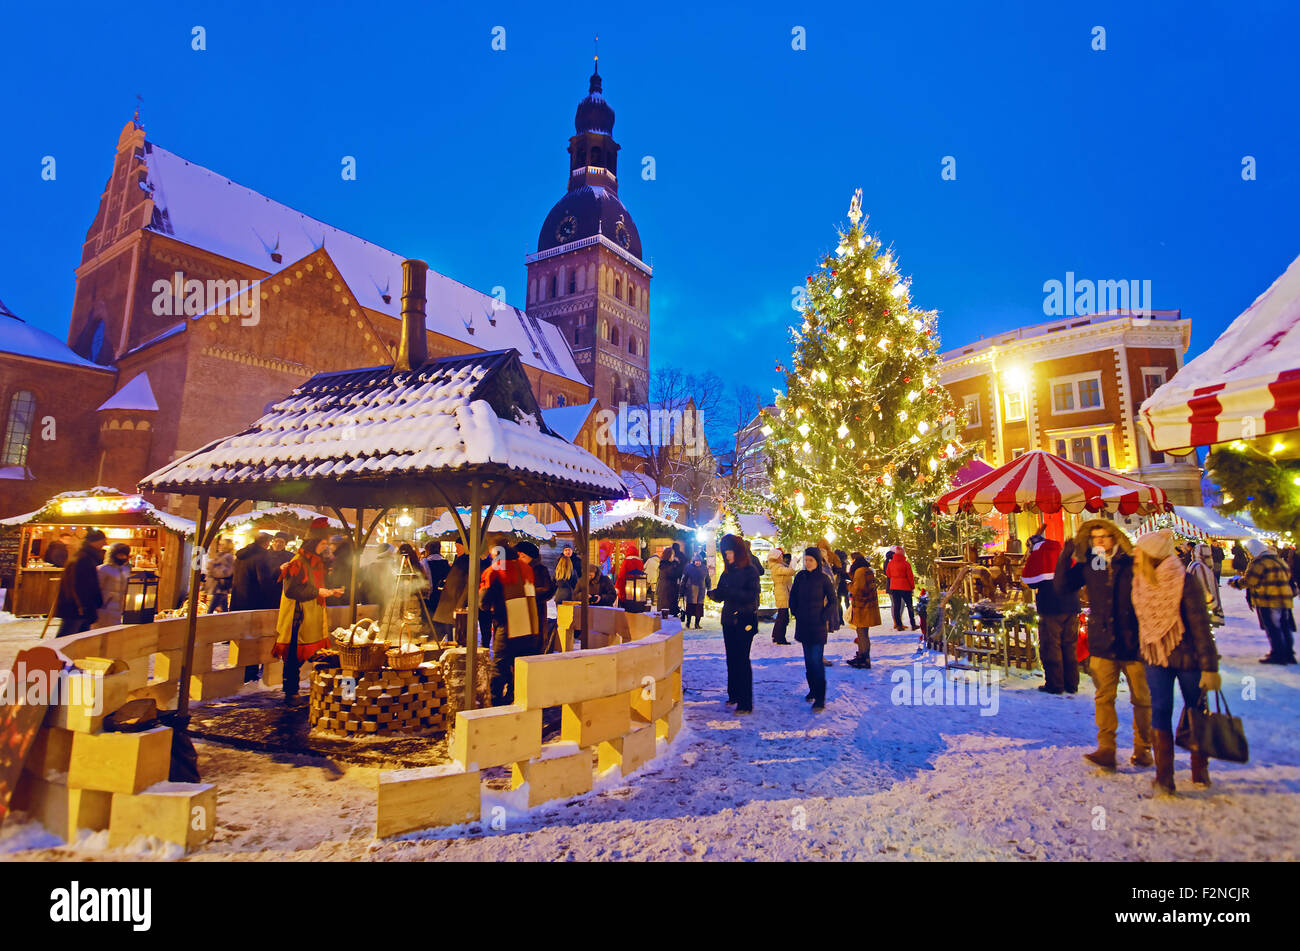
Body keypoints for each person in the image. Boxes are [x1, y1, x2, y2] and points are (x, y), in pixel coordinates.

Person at [1054, 517, 1152, 770]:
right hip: (1103, 642)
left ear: (1114, 537)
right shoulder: (1092, 564)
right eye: (1095, 537)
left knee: (1141, 698)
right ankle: (1106, 748)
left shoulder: (1131, 562)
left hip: (1133, 641)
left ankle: (1143, 748)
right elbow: (1063, 586)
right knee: (1104, 697)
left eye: (1104, 537)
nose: (1099, 541)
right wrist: (1066, 556)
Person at [1131, 531, 1222, 794]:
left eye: (1141, 550)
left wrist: (1209, 667)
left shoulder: (1185, 580)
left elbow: (1200, 625)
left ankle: (1199, 765)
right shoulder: (1140, 581)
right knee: (1159, 710)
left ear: (1152, 554)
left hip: (1188, 657)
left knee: (1195, 708)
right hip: (1155, 655)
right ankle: (1164, 775)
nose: (1136, 554)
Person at [273, 518, 343, 701]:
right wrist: (318, 591)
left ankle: (316, 687)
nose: (325, 547)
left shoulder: (318, 562)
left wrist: (330, 590)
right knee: (293, 656)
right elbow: (291, 590)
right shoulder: (298, 562)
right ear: (314, 543)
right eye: (323, 543)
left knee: (314, 653)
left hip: (313, 615)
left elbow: (317, 584)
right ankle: (290, 691)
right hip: (298, 616)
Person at [482, 544, 541, 704]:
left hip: (508, 627)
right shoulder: (526, 568)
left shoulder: (496, 570)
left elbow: (483, 602)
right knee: (521, 667)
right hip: (529, 628)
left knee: (499, 665)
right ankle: (518, 699)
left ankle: (496, 704)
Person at [709, 534, 761, 713]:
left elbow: (751, 596)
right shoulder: (727, 571)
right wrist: (716, 594)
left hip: (745, 620)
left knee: (741, 660)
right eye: (725, 552)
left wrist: (728, 593)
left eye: (730, 552)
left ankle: (745, 702)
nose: (727, 556)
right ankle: (734, 693)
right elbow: (725, 592)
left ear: (737, 552)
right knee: (731, 659)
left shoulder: (750, 571)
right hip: (729, 620)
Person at [1023, 530, 1079, 694]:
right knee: (1069, 645)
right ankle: (1071, 683)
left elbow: (1029, 581)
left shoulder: (1039, 555)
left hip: (1051, 607)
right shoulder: (1064, 553)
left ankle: (1055, 684)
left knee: (1051, 646)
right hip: (1071, 606)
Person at [790, 547, 839, 711]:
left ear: (817, 561)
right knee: (808, 662)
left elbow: (833, 600)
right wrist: (795, 611)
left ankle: (820, 697)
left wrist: (824, 616)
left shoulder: (824, 579)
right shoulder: (800, 577)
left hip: (818, 626)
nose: (807, 563)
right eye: (806, 560)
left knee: (816, 661)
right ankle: (812, 689)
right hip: (803, 625)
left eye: (811, 560)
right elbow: (793, 597)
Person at [1244, 542, 1297, 664]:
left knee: (1273, 628)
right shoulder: (1279, 560)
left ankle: (1278, 655)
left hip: (1268, 599)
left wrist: (1236, 583)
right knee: (1284, 626)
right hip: (1284, 598)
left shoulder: (1260, 562)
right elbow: (1289, 577)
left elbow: (1250, 580)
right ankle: (1288, 654)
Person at [56, 530, 108, 636]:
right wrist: (86, 606)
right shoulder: (84, 559)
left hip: (78, 606)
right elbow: (82, 586)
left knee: (76, 638)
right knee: (67, 638)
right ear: (95, 541)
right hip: (77, 607)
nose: (105, 543)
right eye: (103, 540)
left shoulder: (84, 556)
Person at [515, 541, 554, 651]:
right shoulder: (514, 570)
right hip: (517, 616)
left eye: (523, 556)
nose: (520, 559)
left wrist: (527, 593)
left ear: (532, 557)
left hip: (535, 614)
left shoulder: (540, 570)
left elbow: (548, 590)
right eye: (518, 556)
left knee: (533, 647)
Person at [846, 551, 881, 668]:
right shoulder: (867, 570)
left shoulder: (860, 572)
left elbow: (857, 589)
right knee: (864, 633)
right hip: (869, 606)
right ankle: (863, 656)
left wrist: (848, 585)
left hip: (862, 607)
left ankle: (864, 659)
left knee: (862, 633)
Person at [432, 542, 470, 644]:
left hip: (456, 603)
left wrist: (460, 606)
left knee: (457, 634)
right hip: (449, 601)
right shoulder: (460, 559)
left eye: (458, 547)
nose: (456, 550)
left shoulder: (468, 561)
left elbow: (468, 586)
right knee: (448, 632)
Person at [231, 532, 276, 611]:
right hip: (253, 598)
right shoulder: (262, 555)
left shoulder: (242, 554)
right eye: (269, 542)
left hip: (238, 596)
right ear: (265, 542)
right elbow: (264, 580)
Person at [93, 542, 132, 628]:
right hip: (103, 608)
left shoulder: (125, 570)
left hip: (118, 607)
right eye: (120, 555)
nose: (122, 558)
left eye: (124, 555)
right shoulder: (103, 569)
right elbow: (96, 589)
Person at [1188, 543, 1225, 627]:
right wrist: (1213, 605)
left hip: (1199, 609)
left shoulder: (1197, 565)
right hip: (1202, 609)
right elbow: (1205, 589)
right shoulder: (1200, 567)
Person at [885, 545, 918, 631]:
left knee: (897, 606)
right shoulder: (906, 564)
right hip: (905, 587)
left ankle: (898, 625)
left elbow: (888, 574)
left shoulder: (890, 563)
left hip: (894, 587)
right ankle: (913, 624)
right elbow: (910, 576)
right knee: (909, 606)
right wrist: (912, 586)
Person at [767, 547, 795, 645]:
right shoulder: (777, 567)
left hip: (783, 591)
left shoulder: (779, 565)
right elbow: (790, 571)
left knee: (782, 615)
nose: (782, 557)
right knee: (783, 616)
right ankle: (780, 638)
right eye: (780, 555)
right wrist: (793, 564)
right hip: (782, 592)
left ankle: (776, 635)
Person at [815, 539, 843, 631]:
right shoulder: (832, 555)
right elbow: (839, 568)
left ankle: (826, 623)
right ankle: (832, 623)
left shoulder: (816, 555)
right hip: (830, 582)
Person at [203, 538, 236, 613]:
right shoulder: (220, 555)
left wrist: (213, 570)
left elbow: (227, 572)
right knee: (223, 607)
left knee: (211, 609)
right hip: (218, 586)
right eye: (220, 544)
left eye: (223, 544)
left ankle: (206, 621)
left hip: (220, 586)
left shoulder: (228, 557)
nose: (220, 546)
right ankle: (226, 620)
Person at [682, 552, 710, 629]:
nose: (697, 562)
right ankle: (688, 623)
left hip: (701, 590)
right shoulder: (688, 567)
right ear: (694, 561)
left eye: (699, 561)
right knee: (690, 608)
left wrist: (709, 588)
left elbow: (707, 579)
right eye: (696, 561)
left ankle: (697, 624)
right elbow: (684, 579)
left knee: (699, 608)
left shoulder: (704, 568)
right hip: (691, 591)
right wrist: (682, 590)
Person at [615, 541, 645, 608]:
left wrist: (617, 586)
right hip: (638, 587)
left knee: (626, 605)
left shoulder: (626, 561)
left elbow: (621, 575)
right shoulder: (640, 562)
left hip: (627, 586)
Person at [656, 545, 683, 617]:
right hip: (667, 592)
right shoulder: (665, 565)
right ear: (669, 555)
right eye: (672, 555)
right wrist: (676, 563)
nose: (673, 557)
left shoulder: (666, 564)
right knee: (667, 612)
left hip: (669, 591)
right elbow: (674, 574)